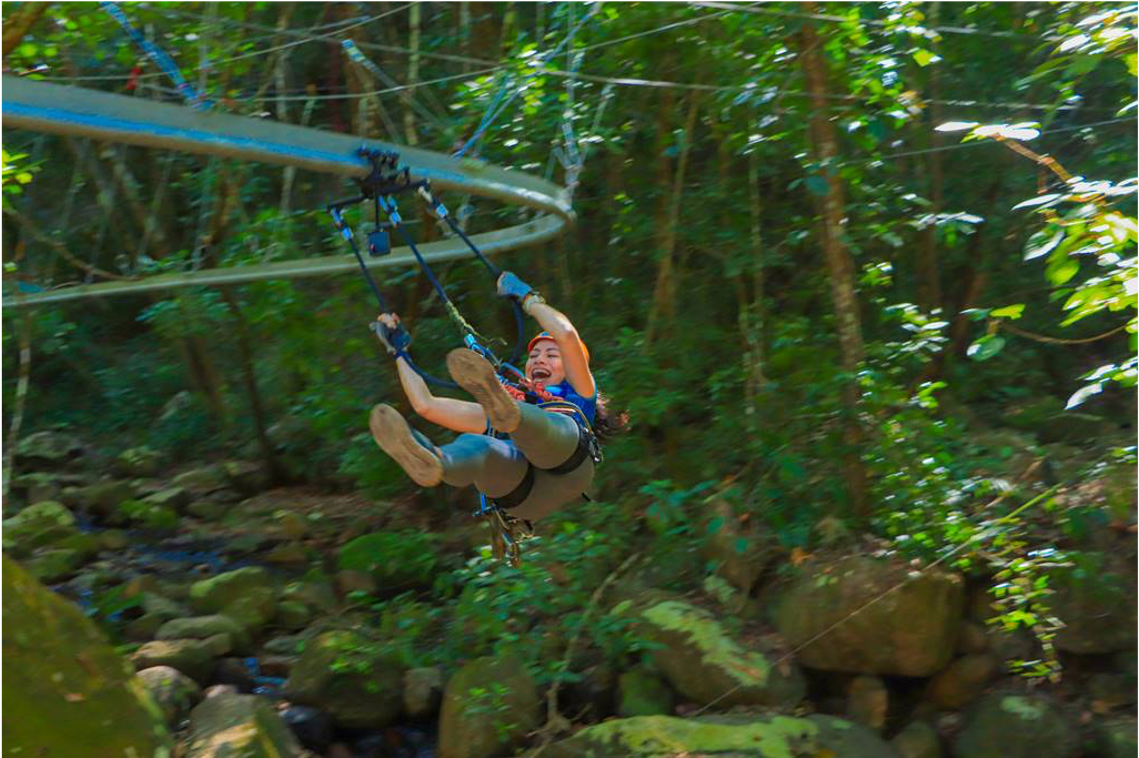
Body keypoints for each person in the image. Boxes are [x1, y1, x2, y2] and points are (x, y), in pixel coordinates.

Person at [369, 272, 611, 522]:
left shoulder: (579, 393)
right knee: (479, 446)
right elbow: (426, 405)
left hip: (568, 466)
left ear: (571, 368)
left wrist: (530, 299)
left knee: (547, 425)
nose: (539, 358)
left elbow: (566, 335)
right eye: (535, 355)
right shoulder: (500, 405)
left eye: (551, 355)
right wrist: (399, 352)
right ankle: (437, 460)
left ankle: (514, 420)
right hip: (522, 495)